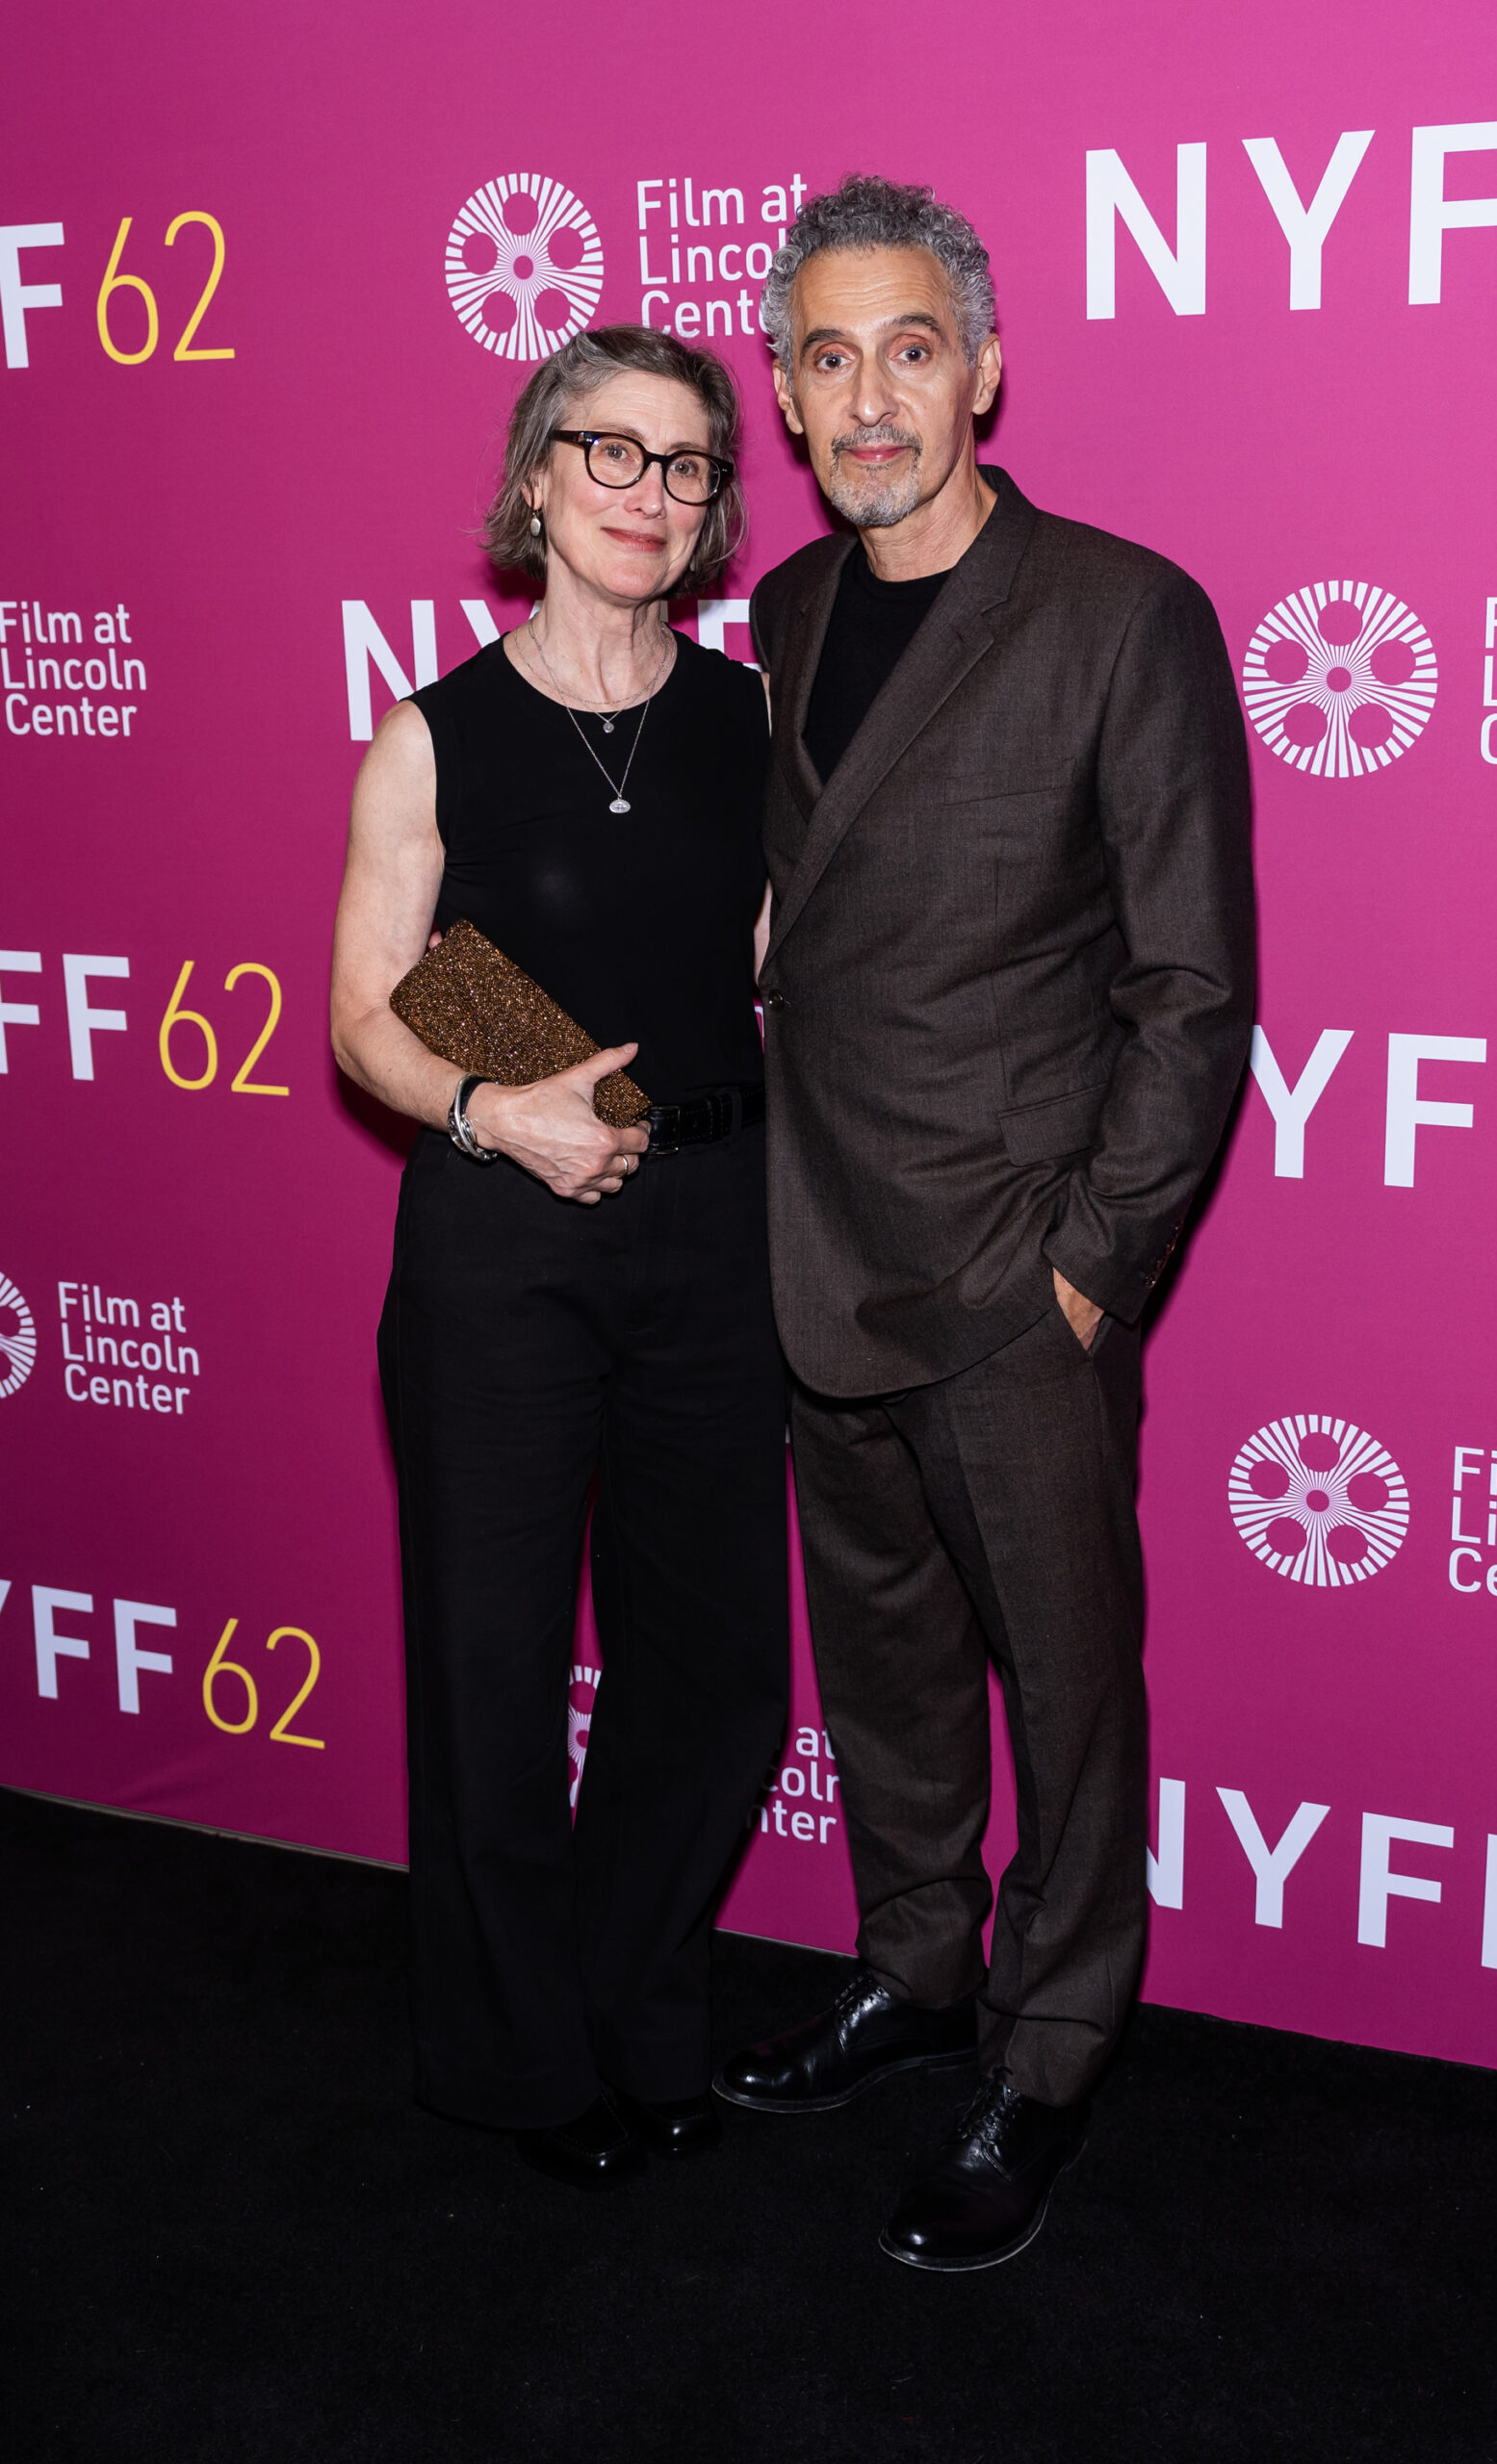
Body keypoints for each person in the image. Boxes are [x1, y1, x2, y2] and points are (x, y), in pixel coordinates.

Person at [716, 178, 1255, 2270]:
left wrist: (1089, 1267)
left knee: (1067, 1688)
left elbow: (1188, 987)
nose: (870, 398)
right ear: (784, 395)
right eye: (828, 357)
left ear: (985, 370)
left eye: (911, 348)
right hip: (815, 1248)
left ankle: (1050, 2046)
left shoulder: (1122, 613)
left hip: (1015, 1274)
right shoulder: (781, 612)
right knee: (884, 1668)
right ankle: (915, 1964)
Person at [330, 325, 787, 2189]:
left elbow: (774, 961)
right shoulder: (433, 731)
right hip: (498, 1238)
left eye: (684, 465)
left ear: (713, 510)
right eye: (610, 451)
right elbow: (364, 1011)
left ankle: (638, 2009)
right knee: (493, 1669)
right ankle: (516, 2061)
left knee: (717, 1669)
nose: (646, 492)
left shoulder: (752, 721)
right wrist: (490, 1111)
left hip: (718, 1223)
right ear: (536, 475)